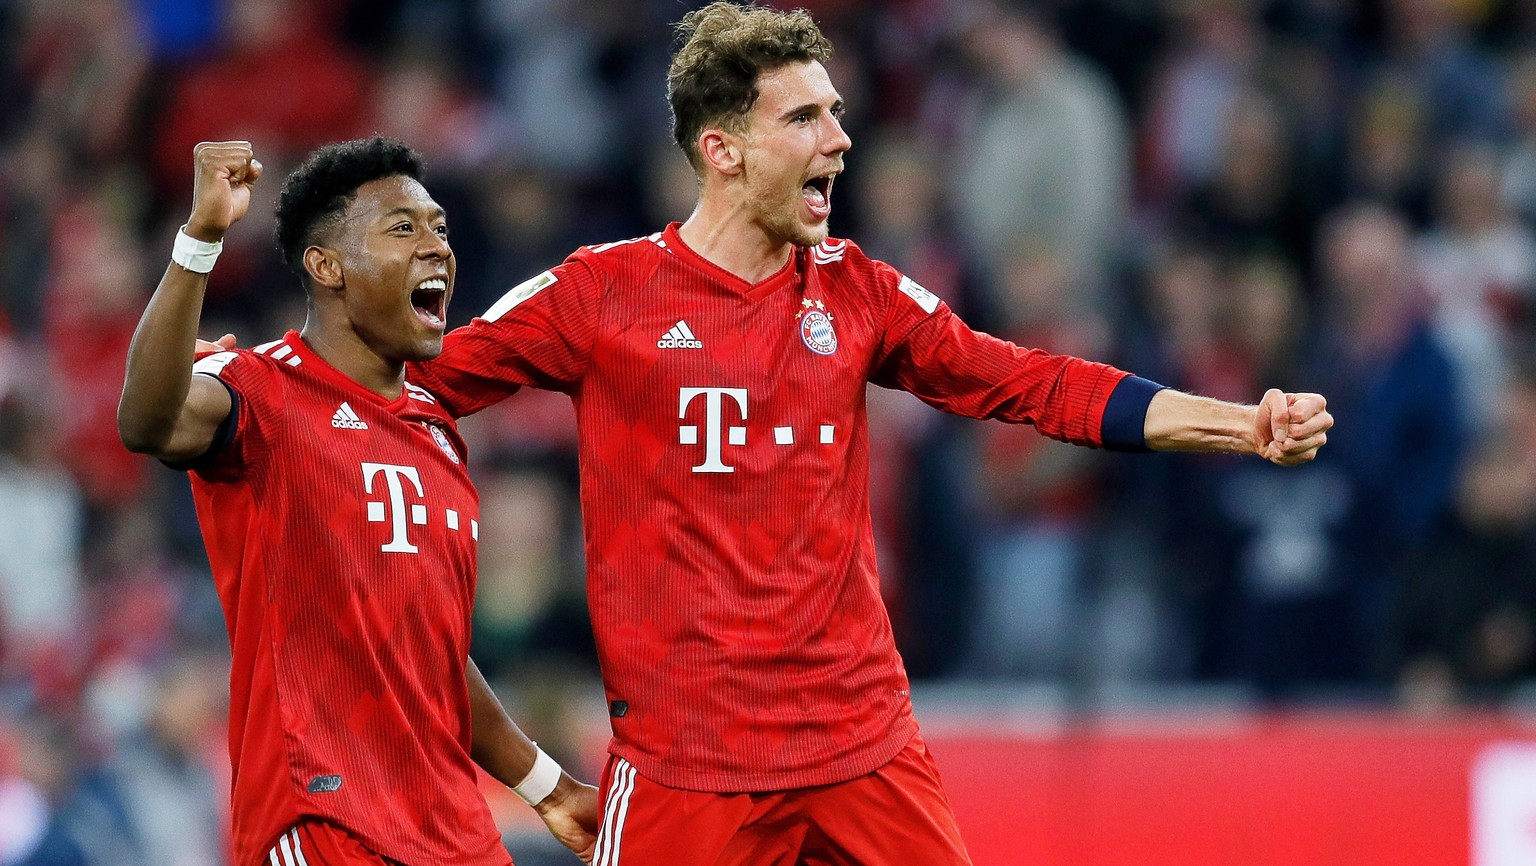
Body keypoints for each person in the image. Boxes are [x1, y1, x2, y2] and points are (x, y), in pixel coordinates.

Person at [393, 4, 1335, 864]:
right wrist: (247, 389)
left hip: (859, 747)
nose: (840, 140)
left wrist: (1240, 424)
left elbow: (1028, 383)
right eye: (804, 119)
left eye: (836, 112)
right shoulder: (600, 295)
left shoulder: (857, 291)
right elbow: (410, 382)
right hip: (687, 764)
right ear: (722, 150)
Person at [116, 138, 599, 866]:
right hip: (325, 820)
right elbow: (146, 421)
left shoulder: (437, 435)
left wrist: (547, 787)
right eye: (403, 228)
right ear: (328, 265)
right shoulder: (263, 390)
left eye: (439, 226)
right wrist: (202, 238)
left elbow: (427, 649)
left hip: (454, 833)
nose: (436, 246)